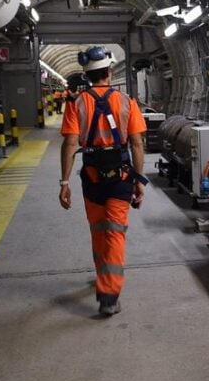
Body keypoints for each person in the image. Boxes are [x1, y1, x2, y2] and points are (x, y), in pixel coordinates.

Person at [59, 46, 148, 316]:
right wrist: (139, 182)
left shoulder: (76, 104)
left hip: (92, 177)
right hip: (120, 177)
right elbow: (136, 143)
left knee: (99, 230)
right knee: (114, 233)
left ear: (88, 76)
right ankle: (108, 295)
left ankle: (103, 278)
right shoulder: (126, 101)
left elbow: (70, 143)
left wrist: (64, 183)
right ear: (110, 72)